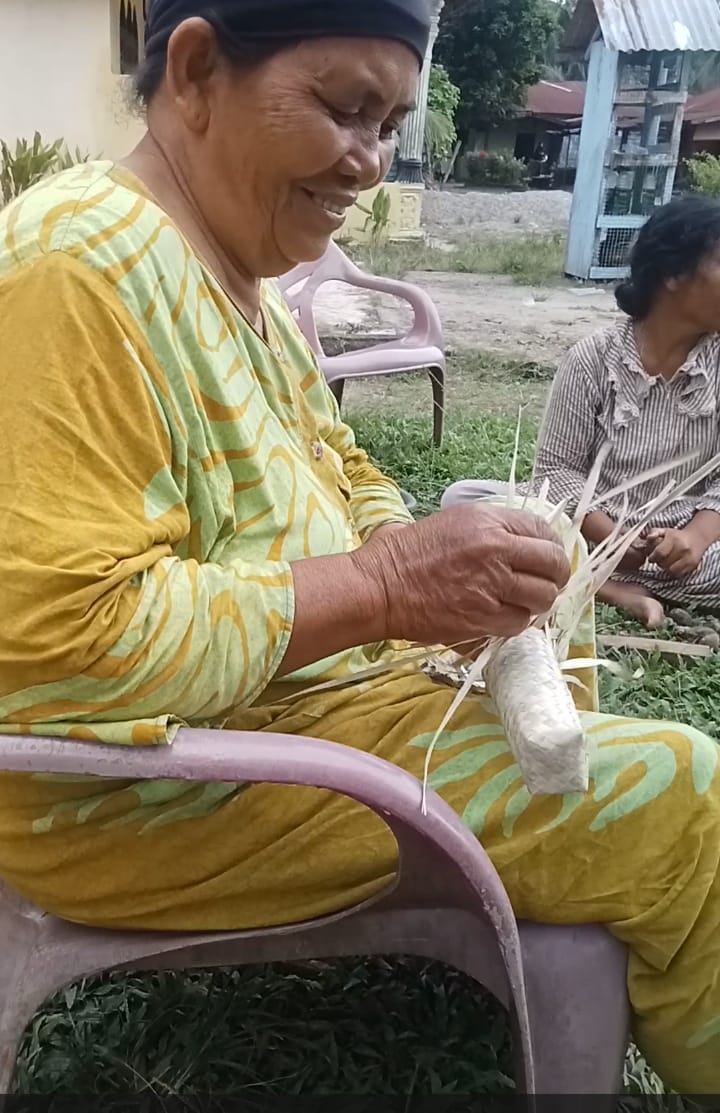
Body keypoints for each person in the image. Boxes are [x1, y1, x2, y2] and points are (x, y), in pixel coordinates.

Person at [0, 0, 718, 1095]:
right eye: (345, 111)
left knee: (560, 682)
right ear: (194, 71)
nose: (369, 162)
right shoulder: (75, 271)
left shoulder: (239, 276)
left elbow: (342, 460)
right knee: (688, 799)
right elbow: (59, 645)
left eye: (391, 125)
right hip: (140, 797)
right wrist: (385, 587)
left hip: (290, 705)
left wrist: (419, 554)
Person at [444, 197, 720, 630]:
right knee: (464, 501)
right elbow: (555, 469)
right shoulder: (593, 359)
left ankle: (578, 580)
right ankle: (610, 587)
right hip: (590, 534)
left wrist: (695, 539)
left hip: (690, 551)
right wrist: (613, 535)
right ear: (673, 274)